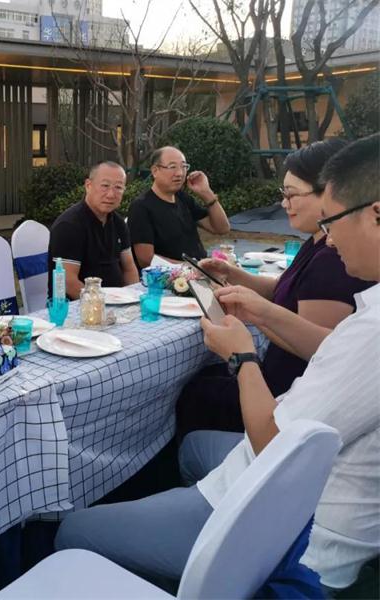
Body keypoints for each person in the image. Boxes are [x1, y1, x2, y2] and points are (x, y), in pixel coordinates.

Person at [54, 134, 380, 593]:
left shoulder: (371, 329)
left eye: (332, 220)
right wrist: (259, 312)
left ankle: (194, 566)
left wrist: (242, 356)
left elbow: (278, 453)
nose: (327, 236)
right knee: (192, 449)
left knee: (72, 531)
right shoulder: (365, 309)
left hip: (289, 529)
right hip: (276, 480)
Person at [176, 139, 372, 438]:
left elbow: (317, 351)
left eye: (291, 195)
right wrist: (234, 276)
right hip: (281, 392)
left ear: (330, 193)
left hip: (284, 394)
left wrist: (247, 344)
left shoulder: (333, 260)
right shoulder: (317, 243)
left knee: (192, 393)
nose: (283, 204)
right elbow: (284, 289)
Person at [47, 161, 139, 299]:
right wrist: (103, 303)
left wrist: (133, 298)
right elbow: (68, 283)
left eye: (118, 187)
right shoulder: (69, 225)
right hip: (77, 305)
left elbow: (129, 269)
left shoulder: (118, 223)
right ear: (88, 186)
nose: (111, 194)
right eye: (105, 186)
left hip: (117, 302)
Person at [128, 146, 230, 269]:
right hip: (170, 276)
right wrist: (192, 268)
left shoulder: (182, 198)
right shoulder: (141, 207)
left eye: (183, 167)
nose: (180, 173)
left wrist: (206, 193)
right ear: (155, 171)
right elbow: (145, 259)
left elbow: (221, 228)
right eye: (172, 167)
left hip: (198, 270)